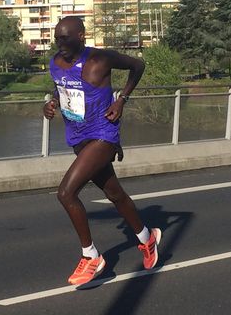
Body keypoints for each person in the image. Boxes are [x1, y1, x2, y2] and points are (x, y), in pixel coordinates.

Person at [43, 16, 161, 286]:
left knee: (66, 193)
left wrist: (122, 100)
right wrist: (50, 103)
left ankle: (91, 256)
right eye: (56, 38)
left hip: (103, 134)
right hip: (78, 137)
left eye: (65, 38)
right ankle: (147, 238)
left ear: (81, 35)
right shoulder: (56, 62)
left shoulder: (101, 58)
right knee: (114, 193)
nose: (59, 43)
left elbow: (138, 65)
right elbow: (60, 88)